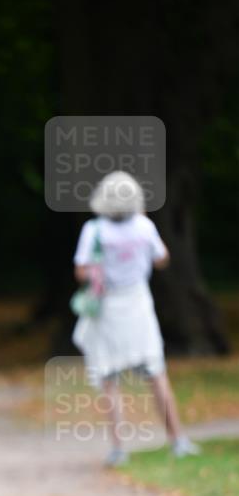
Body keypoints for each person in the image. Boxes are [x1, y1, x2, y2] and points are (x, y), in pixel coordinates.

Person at [72, 171, 200, 467]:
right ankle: (177, 439)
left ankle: (119, 447)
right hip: (139, 305)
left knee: (108, 378)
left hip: (107, 309)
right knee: (156, 373)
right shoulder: (144, 226)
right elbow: (162, 258)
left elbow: (81, 270)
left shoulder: (95, 230)